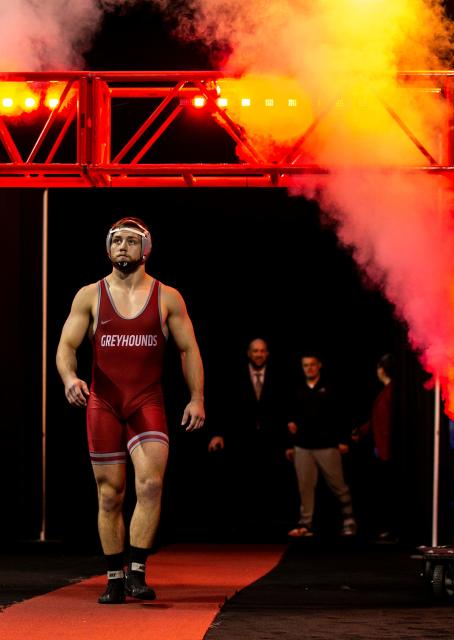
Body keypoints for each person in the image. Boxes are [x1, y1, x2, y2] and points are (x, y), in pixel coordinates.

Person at [56, 217, 205, 604]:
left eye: (130, 241)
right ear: (108, 250)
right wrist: (70, 379)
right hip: (103, 403)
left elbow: (188, 349)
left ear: (146, 250)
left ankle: (137, 571)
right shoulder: (89, 295)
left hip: (146, 401)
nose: (123, 246)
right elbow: (66, 347)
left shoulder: (167, 297)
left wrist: (197, 397)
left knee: (151, 484)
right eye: (116, 240)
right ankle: (113, 578)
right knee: (110, 495)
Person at [207, 338, 294, 538]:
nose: (259, 354)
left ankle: (267, 526)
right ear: (249, 353)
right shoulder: (234, 375)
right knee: (241, 480)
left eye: (262, 351)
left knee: (268, 481)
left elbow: (286, 407)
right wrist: (218, 433)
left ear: (267, 354)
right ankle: (240, 526)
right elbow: (224, 404)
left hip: (270, 438)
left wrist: (288, 441)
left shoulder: (279, 376)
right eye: (255, 351)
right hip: (241, 438)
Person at [286, 353, 357, 538]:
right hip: (303, 446)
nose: (309, 368)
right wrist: (290, 443)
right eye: (305, 365)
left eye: (312, 364)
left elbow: (341, 415)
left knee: (338, 485)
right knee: (305, 486)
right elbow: (290, 419)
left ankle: (349, 520)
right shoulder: (297, 389)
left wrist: (343, 440)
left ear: (319, 365)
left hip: (327, 445)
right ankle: (305, 524)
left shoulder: (330, 388)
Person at [353, 353, 397, 542]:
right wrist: (362, 431)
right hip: (381, 447)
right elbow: (376, 420)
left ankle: (391, 528)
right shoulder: (386, 392)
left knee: (388, 491)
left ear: (382, 369)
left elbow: (386, 423)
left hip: (386, 449)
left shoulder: (391, 392)